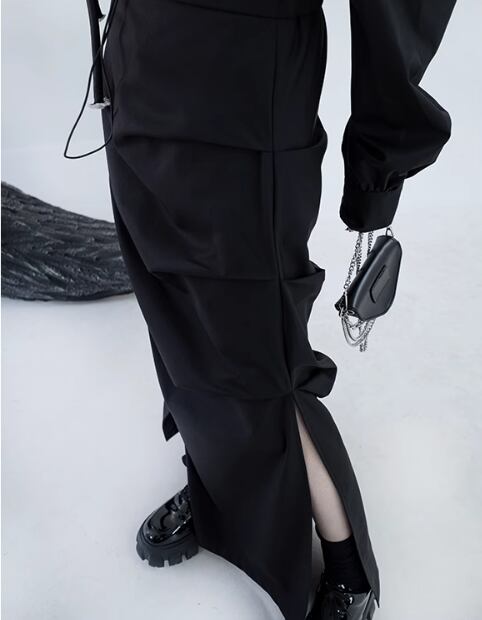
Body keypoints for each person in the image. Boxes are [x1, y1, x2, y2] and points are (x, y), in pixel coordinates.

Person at [70, 0, 456, 617]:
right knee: (174, 310)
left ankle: (347, 562)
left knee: (260, 345)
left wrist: (379, 171)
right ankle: (220, 484)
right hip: (135, 58)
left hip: (243, 81)